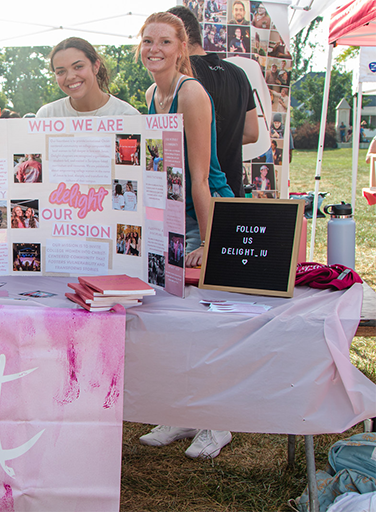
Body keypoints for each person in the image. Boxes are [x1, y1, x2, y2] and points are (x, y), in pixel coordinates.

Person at [137, 12, 235, 460]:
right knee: (171, 321)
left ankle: (217, 423)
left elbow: (200, 178)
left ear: (181, 47)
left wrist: (209, 245)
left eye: (164, 41)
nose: (154, 49)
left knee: (204, 323)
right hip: (173, 217)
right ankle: (182, 413)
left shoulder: (190, 92)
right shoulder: (150, 95)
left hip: (206, 213)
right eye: (147, 41)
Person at [169, 6, 258, 197]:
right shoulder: (239, 74)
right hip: (233, 189)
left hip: (197, 195)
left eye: (165, 40)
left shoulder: (183, 78)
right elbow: (252, 133)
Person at [37, 37, 140, 117]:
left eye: (78, 67)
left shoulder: (127, 115)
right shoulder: (47, 116)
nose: (70, 77)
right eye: (61, 72)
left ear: (96, 66)